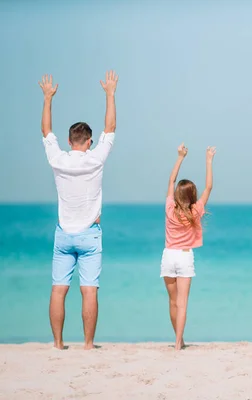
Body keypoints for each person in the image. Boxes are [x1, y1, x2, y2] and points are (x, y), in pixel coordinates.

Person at [40, 71, 119, 350]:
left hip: (63, 234)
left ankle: (59, 344)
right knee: (89, 290)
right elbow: (110, 128)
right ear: (87, 141)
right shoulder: (95, 160)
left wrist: (47, 99)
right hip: (89, 234)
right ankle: (87, 345)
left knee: (58, 289)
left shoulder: (58, 160)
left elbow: (46, 132)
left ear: (70, 140)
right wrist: (110, 94)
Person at [162, 143, 216, 350]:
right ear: (192, 196)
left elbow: (171, 180)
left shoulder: (169, 208)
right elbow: (209, 187)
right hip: (184, 257)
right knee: (183, 303)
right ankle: (178, 343)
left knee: (173, 301)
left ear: (177, 195)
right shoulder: (195, 211)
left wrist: (180, 157)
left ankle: (178, 338)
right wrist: (209, 161)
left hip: (168, 256)